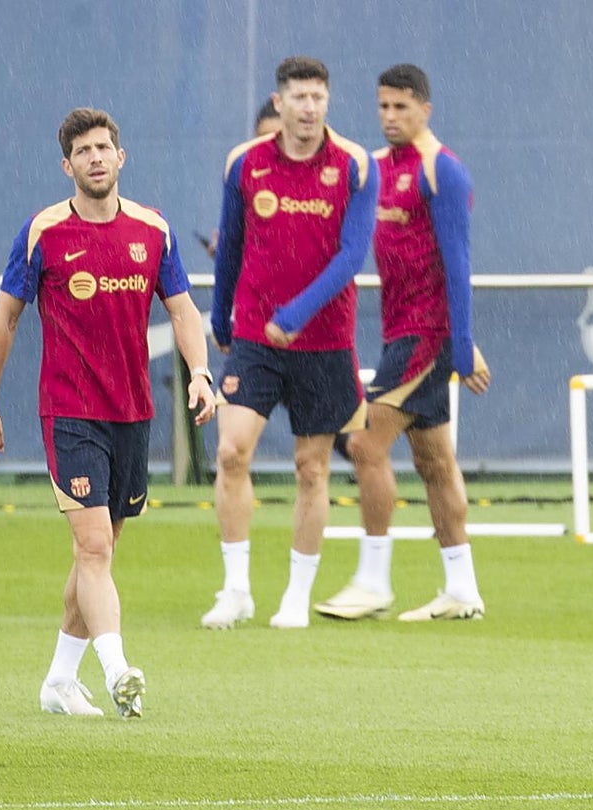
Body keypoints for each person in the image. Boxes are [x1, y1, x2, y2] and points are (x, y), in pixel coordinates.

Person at [0, 107, 216, 719]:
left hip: (133, 412)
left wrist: (201, 373)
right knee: (95, 548)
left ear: (121, 156)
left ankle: (58, 680)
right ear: (67, 165)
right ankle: (118, 671)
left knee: (98, 554)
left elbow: (183, 310)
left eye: (104, 147)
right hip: (69, 410)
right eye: (83, 151)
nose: (96, 158)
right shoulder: (43, 232)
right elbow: (4, 320)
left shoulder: (153, 230)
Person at [201, 56, 378, 629]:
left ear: (328, 101)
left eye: (318, 98)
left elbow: (352, 255)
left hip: (325, 340)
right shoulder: (244, 164)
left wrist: (299, 312)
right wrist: (222, 320)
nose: (309, 108)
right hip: (255, 334)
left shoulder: (354, 165)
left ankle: (296, 596)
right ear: (278, 103)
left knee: (311, 468)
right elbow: (229, 248)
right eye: (298, 98)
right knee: (231, 451)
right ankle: (235, 590)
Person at [315, 63, 490, 623]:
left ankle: (373, 579)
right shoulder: (375, 168)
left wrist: (461, 345)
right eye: (383, 106)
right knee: (435, 462)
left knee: (365, 445)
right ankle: (462, 589)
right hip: (402, 330)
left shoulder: (443, 172)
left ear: (425, 110)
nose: (390, 117)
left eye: (402, 107)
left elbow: (458, 265)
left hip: (427, 335)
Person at [197, 100, 284, 260]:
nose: (269, 144)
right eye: (262, 137)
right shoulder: (243, 175)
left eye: (277, 137)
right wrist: (225, 250)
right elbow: (232, 247)